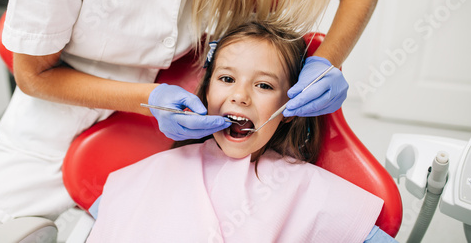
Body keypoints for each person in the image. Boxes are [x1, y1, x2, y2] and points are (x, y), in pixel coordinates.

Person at [0, 0, 379, 233]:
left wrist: (326, 62)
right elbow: (32, 76)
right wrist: (147, 100)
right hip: (45, 143)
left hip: (153, 147)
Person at [87, 22, 395, 242]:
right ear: (205, 94)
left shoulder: (306, 186)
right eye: (226, 79)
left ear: (293, 107)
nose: (240, 96)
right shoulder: (158, 171)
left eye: (264, 85)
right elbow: (111, 218)